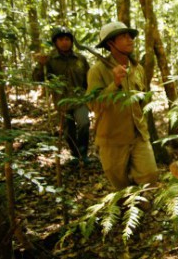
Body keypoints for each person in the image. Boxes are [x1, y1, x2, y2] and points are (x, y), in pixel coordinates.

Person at [86, 21, 158, 190]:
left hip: (139, 134)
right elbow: (93, 104)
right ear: (110, 44)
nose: (130, 40)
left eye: (130, 36)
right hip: (112, 139)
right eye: (123, 37)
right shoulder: (97, 71)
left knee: (150, 175)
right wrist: (115, 84)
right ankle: (125, 213)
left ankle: (141, 207)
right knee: (120, 185)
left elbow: (143, 101)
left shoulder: (137, 69)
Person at [33, 27, 90, 165]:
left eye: (67, 39)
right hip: (62, 102)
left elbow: (89, 78)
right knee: (68, 131)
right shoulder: (49, 60)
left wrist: (91, 96)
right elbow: (37, 79)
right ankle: (75, 155)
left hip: (80, 100)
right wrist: (41, 65)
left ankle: (83, 154)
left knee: (84, 123)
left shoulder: (80, 59)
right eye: (60, 39)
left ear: (71, 41)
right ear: (55, 42)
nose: (64, 42)